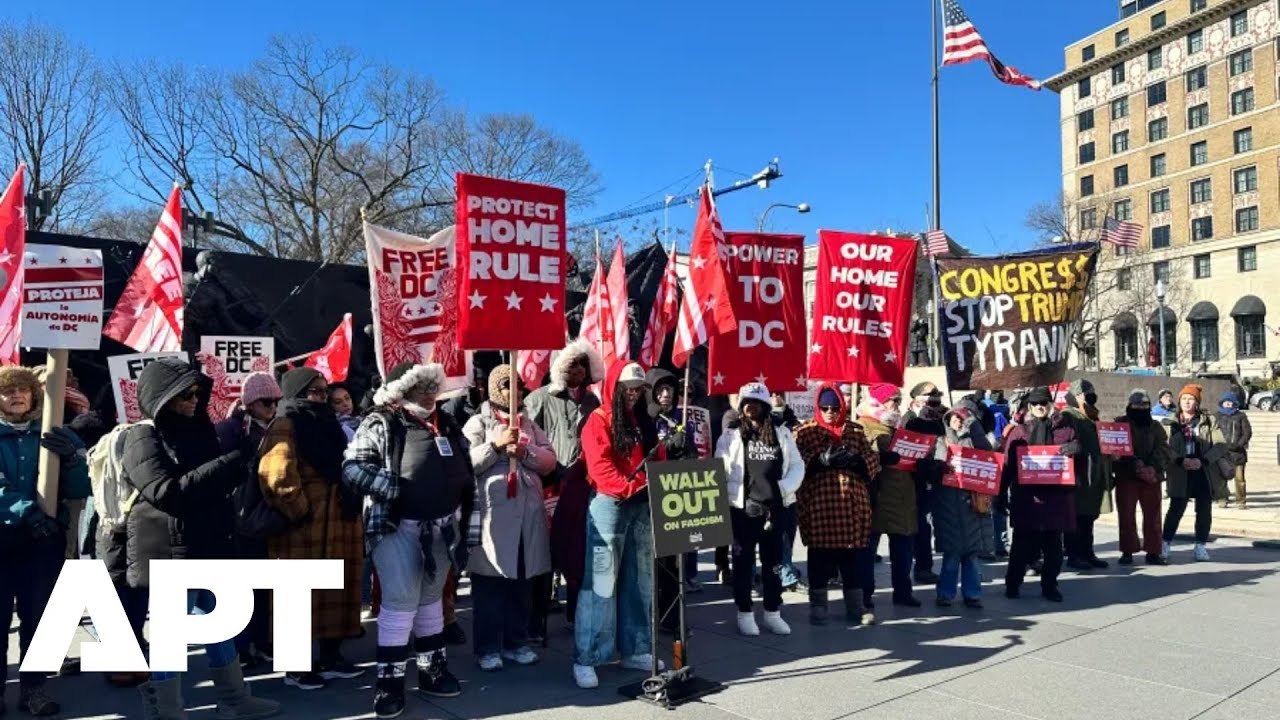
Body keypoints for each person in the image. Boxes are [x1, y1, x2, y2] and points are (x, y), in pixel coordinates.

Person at [121, 358, 279, 720]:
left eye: (196, 393)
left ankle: (234, 698)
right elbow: (165, 492)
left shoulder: (200, 428)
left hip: (210, 544)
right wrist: (228, 466)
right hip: (171, 551)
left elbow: (208, 485)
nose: (193, 400)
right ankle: (168, 709)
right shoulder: (141, 436)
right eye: (183, 395)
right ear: (162, 396)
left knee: (219, 622)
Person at [343, 362, 474, 716]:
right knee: (401, 601)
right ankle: (388, 685)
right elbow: (352, 467)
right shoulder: (380, 421)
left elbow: (464, 461)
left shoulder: (445, 422)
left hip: (443, 527)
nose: (430, 392)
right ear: (402, 390)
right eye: (421, 386)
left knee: (431, 599)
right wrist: (394, 488)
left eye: (433, 385)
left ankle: (432, 671)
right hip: (397, 526)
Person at [573, 361, 682, 689]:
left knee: (640, 580)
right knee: (602, 584)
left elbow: (656, 457)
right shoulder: (599, 419)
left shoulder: (644, 420)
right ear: (615, 388)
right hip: (611, 505)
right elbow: (601, 467)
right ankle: (587, 656)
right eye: (629, 388)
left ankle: (636, 648)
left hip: (640, 506)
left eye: (638, 388)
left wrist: (664, 470)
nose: (633, 394)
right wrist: (635, 487)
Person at [260, 367, 365, 690]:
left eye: (323, 391)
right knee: (298, 593)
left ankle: (330, 657)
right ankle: (295, 667)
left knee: (336, 593)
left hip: (339, 524)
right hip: (302, 531)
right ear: (296, 393)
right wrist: (300, 511)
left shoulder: (328, 424)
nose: (321, 397)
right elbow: (276, 475)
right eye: (314, 392)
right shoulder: (286, 424)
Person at [0, 366, 92, 716]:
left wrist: (70, 460)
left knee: (38, 619)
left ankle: (34, 689)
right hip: (4, 540)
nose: (16, 395)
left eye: (23, 389)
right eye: (8, 391)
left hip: (42, 545)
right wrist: (30, 513)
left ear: (35, 395)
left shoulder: (56, 434)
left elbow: (81, 488)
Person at [463, 364, 556, 671]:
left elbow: (549, 459)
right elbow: (466, 463)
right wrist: (496, 446)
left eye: (517, 385)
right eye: (506, 385)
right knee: (490, 585)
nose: (512, 391)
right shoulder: (478, 422)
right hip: (493, 517)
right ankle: (487, 647)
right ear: (493, 389)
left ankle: (516, 642)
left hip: (526, 517)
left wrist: (526, 452)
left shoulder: (529, 424)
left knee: (522, 582)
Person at [527, 339, 604, 630]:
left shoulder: (592, 401)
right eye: (573, 364)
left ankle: (577, 615)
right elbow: (530, 437)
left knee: (577, 551)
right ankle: (537, 620)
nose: (579, 370)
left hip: (581, 484)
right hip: (549, 483)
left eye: (584, 364)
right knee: (545, 552)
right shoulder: (540, 398)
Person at [716, 382, 804, 636]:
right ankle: (744, 611)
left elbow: (797, 466)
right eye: (746, 403)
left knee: (774, 563)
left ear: (765, 406)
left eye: (755, 403)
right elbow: (720, 468)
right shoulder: (731, 435)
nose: (750, 408)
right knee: (743, 564)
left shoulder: (781, 433)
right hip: (743, 510)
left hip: (775, 508)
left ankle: (772, 611)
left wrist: (783, 489)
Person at [794, 383, 880, 627]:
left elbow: (874, 460)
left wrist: (859, 462)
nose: (830, 412)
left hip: (852, 504)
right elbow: (793, 463)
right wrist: (817, 462)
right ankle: (818, 605)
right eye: (824, 407)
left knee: (852, 559)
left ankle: (856, 606)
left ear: (843, 406)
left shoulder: (856, 430)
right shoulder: (805, 431)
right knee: (819, 558)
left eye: (834, 407)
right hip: (819, 504)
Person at [217, 371, 282, 669]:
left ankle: (262, 641)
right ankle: (242, 648)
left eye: (276, 401)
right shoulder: (234, 430)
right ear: (252, 403)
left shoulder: (277, 428)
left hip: (268, 515)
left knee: (264, 585)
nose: (273, 407)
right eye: (267, 402)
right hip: (240, 518)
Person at [1002, 386, 1078, 603]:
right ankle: (1013, 583)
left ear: (1050, 404)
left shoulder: (1066, 430)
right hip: (1027, 499)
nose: (1039, 407)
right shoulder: (1019, 432)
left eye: (1043, 403)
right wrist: (999, 493)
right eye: (1035, 404)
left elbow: (1080, 462)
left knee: (1053, 548)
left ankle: (1050, 585)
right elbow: (1008, 464)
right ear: (1029, 407)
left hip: (1055, 499)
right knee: (1021, 546)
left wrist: (1076, 449)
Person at [645, 368, 702, 613]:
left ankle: (671, 616)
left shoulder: (680, 419)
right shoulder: (644, 418)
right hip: (647, 498)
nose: (667, 394)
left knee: (674, 564)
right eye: (661, 390)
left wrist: (685, 449)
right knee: (650, 565)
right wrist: (666, 446)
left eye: (670, 389)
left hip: (674, 497)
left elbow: (692, 456)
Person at [858, 404, 918, 607]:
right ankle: (864, 594)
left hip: (902, 496)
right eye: (891, 399)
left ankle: (903, 592)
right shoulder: (863, 425)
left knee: (903, 549)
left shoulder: (900, 426)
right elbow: (859, 459)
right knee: (867, 549)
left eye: (898, 399)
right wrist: (879, 458)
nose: (895, 404)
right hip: (876, 495)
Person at [1161, 384, 1227, 562]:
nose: (1187, 402)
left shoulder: (1209, 420)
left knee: (1204, 510)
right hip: (1179, 470)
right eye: (1183, 399)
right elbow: (1163, 446)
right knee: (1176, 508)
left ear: (1197, 402)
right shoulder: (1169, 422)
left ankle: (1200, 546)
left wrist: (1203, 460)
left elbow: (1221, 444)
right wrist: (1180, 460)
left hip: (1203, 470)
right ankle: (1165, 544)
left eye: (1191, 399)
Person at [1112, 390, 1172, 566]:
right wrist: (1132, 462)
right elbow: (1115, 447)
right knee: (1126, 515)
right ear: (1130, 406)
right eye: (1136, 405)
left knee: (1153, 515)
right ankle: (1127, 550)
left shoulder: (1156, 426)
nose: (1140, 408)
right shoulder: (1119, 424)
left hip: (1151, 477)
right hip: (1127, 476)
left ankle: (1153, 551)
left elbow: (1164, 449)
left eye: (1144, 405)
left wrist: (1152, 466)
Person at [935, 408, 988, 609]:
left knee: (972, 554)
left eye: (961, 417)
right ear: (947, 420)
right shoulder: (942, 441)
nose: (957, 421)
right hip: (948, 502)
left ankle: (972, 594)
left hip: (971, 502)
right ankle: (945, 593)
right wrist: (940, 468)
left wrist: (973, 428)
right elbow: (935, 467)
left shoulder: (974, 439)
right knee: (952, 554)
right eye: (954, 417)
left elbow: (988, 455)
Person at [1060, 380, 1111, 571]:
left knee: (1089, 515)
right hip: (1079, 472)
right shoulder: (1068, 415)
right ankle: (1074, 554)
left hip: (1094, 471)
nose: (1091, 395)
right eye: (1086, 393)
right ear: (1077, 396)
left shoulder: (1091, 415)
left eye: (1092, 391)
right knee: (1076, 516)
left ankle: (1087, 552)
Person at [907, 385, 945, 584]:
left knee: (928, 526)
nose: (933, 403)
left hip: (935, 480)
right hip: (914, 482)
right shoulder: (909, 420)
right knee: (921, 526)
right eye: (929, 399)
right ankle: (922, 568)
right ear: (916, 400)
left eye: (936, 399)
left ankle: (926, 566)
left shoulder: (941, 417)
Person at [1215, 391, 1251, 509]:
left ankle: (1241, 500)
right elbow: (1214, 432)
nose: (1228, 404)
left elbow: (1247, 432)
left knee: (1239, 478)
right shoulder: (1217, 416)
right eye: (1226, 402)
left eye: (1230, 402)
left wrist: (1239, 444)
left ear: (1234, 403)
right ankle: (1222, 499)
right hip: (1223, 453)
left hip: (1238, 453)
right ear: (1222, 403)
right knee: (1221, 478)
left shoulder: (1241, 416)